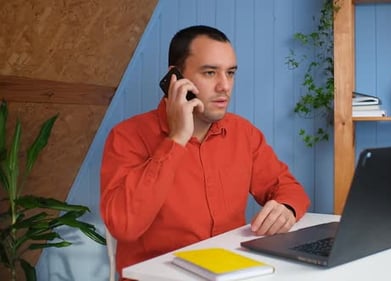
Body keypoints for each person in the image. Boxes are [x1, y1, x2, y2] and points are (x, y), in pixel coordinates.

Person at [100, 25, 310, 279]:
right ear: (175, 77)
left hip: (230, 272)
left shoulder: (244, 133)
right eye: (210, 73)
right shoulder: (127, 136)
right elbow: (124, 225)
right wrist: (176, 138)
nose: (225, 86)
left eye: (230, 73)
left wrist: (285, 208)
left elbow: (289, 189)